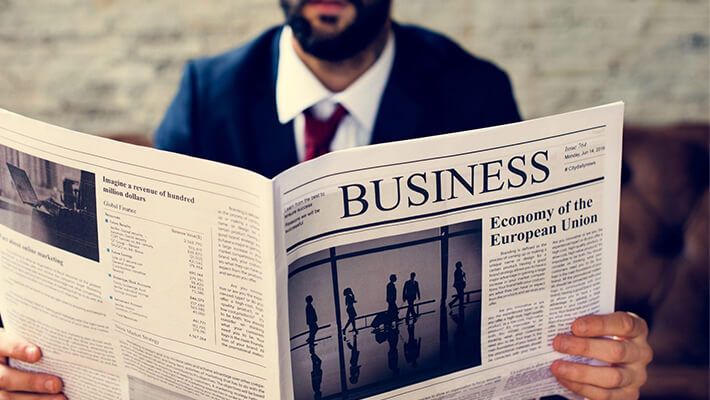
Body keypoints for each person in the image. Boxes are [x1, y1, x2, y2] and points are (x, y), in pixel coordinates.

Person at [0, 1, 652, 399]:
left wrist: (597, 370)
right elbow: (147, 297)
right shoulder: (206, 95)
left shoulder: (474, 92)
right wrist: (44, 367)